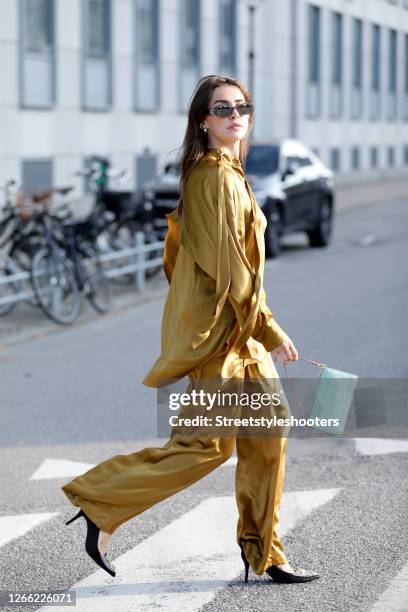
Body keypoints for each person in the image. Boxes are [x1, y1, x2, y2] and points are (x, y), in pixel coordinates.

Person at [61, 74, 319, 584]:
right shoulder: (211, 177)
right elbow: (230, 268)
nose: (235, 115)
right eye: (222, 108)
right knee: (205, 446)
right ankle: (100, 500)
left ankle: (263, 550)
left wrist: (259, 330)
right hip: (223, 340)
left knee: (268, 434)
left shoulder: (231, 172)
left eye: (242, 106)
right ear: (203, 119)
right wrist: (269, 328)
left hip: (239, 334)